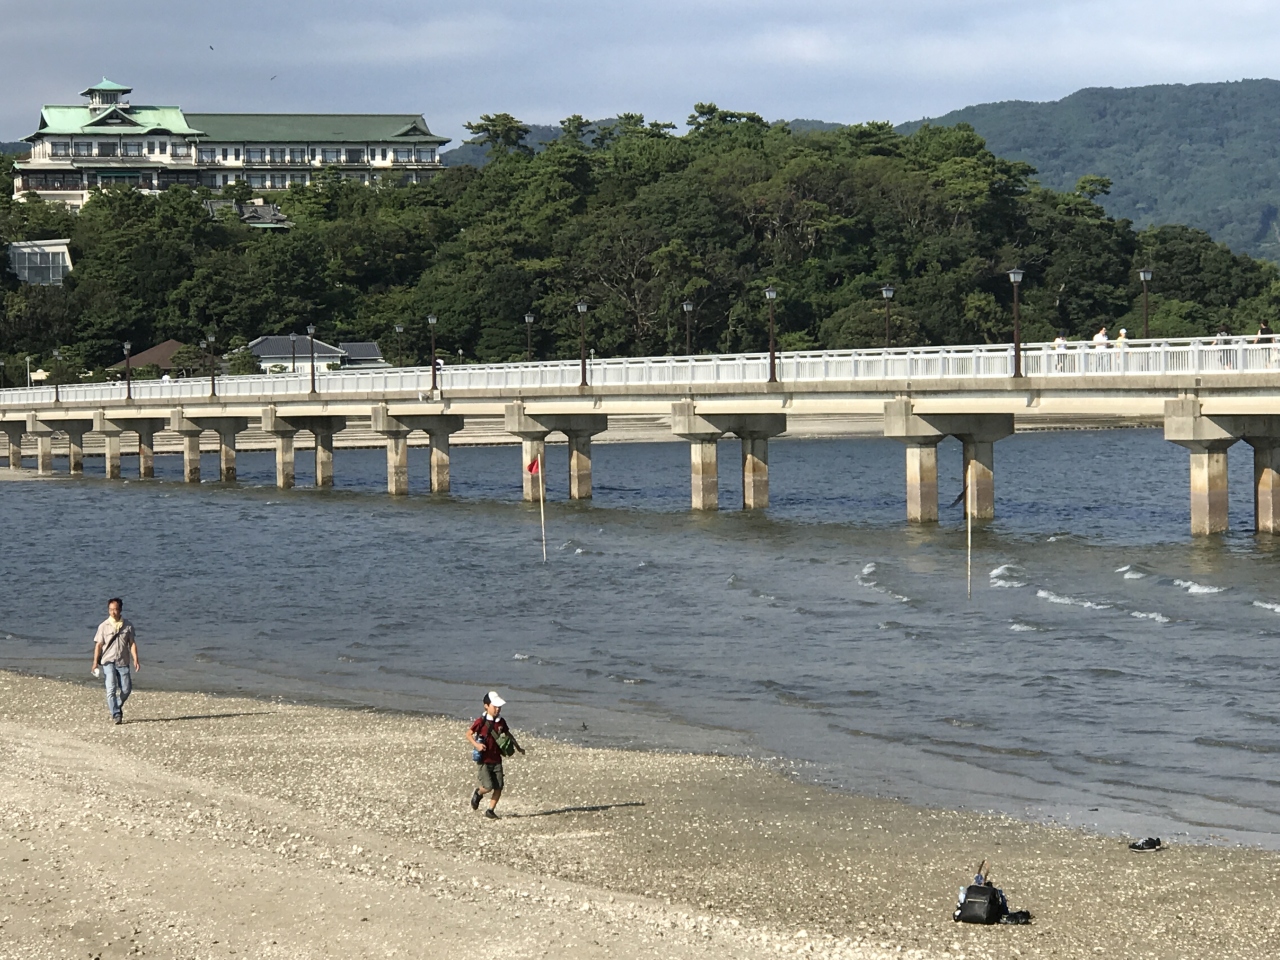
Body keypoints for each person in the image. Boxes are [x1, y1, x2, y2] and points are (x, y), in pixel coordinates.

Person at [466, 691, 525, 819]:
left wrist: (518, 747)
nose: (497, 709)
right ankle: (478, 793)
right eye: (495, 706)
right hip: (484, 760)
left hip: (497, 759)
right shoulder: (481, 722)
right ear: (486, 706)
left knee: (498, 787)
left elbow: (508, 735)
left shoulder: (501, 722)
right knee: (488, 786)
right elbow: (468, 734)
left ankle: (490, 810)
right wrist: (477, 745)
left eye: (499, 707)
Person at [90, 597, 139, 725]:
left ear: (120, 610)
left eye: (115, 609)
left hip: (123, 661)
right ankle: (116, 713)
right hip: (108, 661)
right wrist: (95, 662)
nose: (113, 612)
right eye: (111, 609)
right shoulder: (103, 626)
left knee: (126, 689)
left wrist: (135, 659)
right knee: (111, 688)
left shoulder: (128, 625)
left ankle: (116, 704)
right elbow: (98, 645)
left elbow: (132, 643)